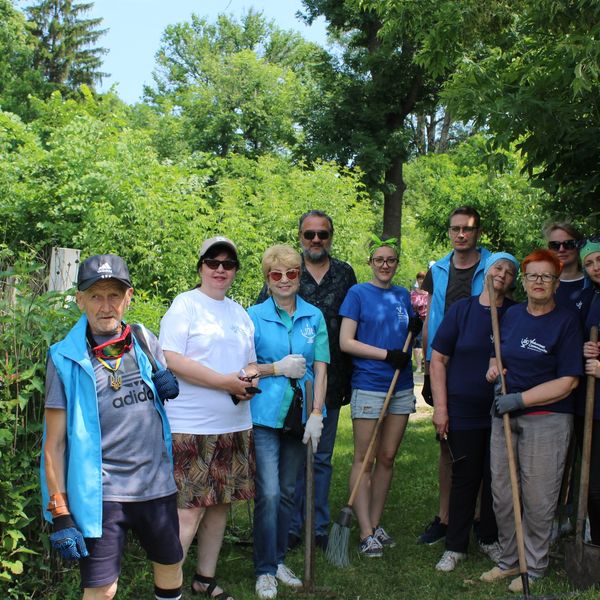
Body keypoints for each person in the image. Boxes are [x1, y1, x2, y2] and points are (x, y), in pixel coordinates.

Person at [41, 254, 184, 600]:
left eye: (114, 295)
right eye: (95, 295)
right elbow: (54, 444)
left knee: (170, 569)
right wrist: (60, 511)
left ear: (128, 297)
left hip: (156, 485)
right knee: (102, 591)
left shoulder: (145, 341)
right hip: (102, 495)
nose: (106, 306)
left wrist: (165, 377)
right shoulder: (64, 359)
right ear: (80, 300)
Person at [159, 237, 257, 600]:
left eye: (228, 264)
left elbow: (250, 361)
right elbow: (171, 358)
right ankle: (167, 589)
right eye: (212, 262)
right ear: (200, 266)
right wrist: (224, 382)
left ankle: (205, 578)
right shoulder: (185, 306)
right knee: (188, 513)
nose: (220, 269)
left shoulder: (240, 313)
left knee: (219, 506)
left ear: (234, 272)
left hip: (234, 425)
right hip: (192, 428)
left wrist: (250, 379)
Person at [481, 248, 583, 593]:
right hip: (505, 417)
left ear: (556, 282)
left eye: (546, 276)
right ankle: (511, 560)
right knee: (502, 494)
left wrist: (520, 399)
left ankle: (534, 563)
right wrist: (494, 371)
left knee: (539, 498)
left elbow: (568, 381)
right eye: (532, 276)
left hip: (546, 420)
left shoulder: (567, 321)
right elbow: (499, 359)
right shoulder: (510, 316)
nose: (539, 282)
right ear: (522, 281)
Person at [258, 210, 357, 551]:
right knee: (294, 461)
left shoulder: (345, 273)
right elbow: (261, 322)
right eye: (310, 234)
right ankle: (293, 525)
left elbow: (355, 319)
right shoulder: (282, 270)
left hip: (329, 379)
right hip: (287, 387)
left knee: (321, 458)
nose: (316, 240)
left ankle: (317, 525)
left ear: (331, 236)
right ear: (300, 236)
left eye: (323, 234)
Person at [248, 244, 329, 600]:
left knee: (289, 492)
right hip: (264, 415)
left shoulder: (314, 316)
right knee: (268, 492)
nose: (284, 281)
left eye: (291, 274)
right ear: (267, 279)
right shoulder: (251, 317)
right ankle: (264, 569)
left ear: (299, 277)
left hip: (301, 417)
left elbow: (321, 368)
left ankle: (279, 560)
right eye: (276, 275)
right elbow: (245, 369)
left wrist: (316, 413)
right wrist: (275, 368)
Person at [430, 252, 519, 572]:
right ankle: (455, 545)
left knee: (496, 476)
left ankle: (489, 537)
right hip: (463, 406)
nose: (503, 274)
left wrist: (503, 364)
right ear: (485, 272)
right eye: (498, 267)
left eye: (510, 272)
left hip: (501, 409)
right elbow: (438, 359)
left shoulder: (515, 314)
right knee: (465, 475)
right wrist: (441, 408)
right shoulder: (462, 311)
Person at [339, 238, 417, 557]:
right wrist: (387, 355)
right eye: (379, 259)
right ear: (370, 262)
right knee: (365, 458)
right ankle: (365, 530)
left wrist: (418, 326)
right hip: (371, 384)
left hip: (401, 386)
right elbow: (346, 341)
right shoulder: (358, 294)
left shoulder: (402, 295)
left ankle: (376, 521)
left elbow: (408, 335)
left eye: (392, 260)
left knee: (387, 457)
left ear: (397, 264)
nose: (385, 265)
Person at [418, 206, 491, 545]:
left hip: (481, 364)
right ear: (449, 232)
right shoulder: (439, 269)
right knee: (447, 442)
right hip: (443, 362)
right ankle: (445, 517)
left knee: (484, 444)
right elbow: (433, 312)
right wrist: (427, 352)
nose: (461, 234)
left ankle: (478, 517)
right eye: (455, 228)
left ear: (477, 233)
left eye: (468, 229)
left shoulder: (492, 265)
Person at [575, 236, 600, 544]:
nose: (596, 267)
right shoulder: (587, 299)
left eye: (599, 260)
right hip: (591, 405)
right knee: (594, 484)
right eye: (589, 263)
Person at [544, 221, 585, 308]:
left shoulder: (593, 283)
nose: (561, 249)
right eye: (555, 245)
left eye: (569, 244)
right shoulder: (541, 284)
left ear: (579, 246)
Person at [410, 271, 428, 373]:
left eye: (423, 278)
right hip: (417, 321)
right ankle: (418, 366)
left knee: (427, 343)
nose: (421, 280)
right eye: (420, 278)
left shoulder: (430, 293)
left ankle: (426, 364)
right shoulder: (412, 293)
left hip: (428, 321)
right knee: (416, 344)